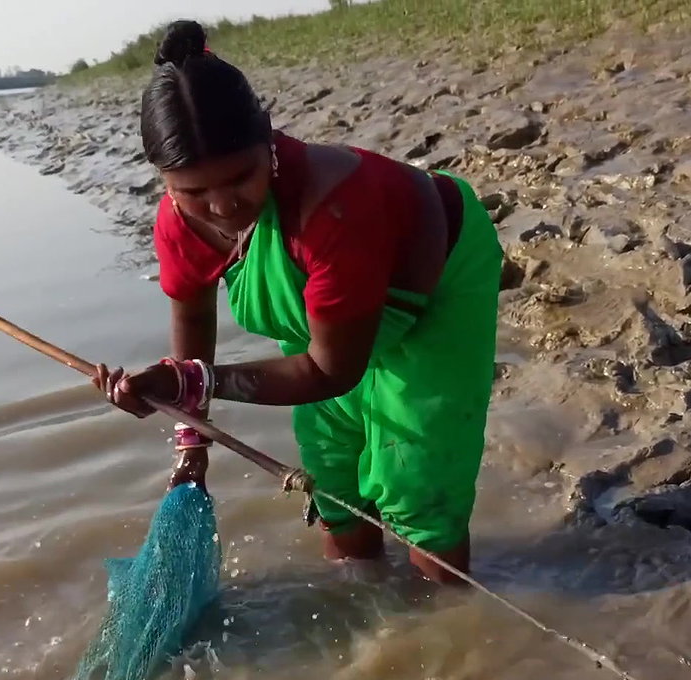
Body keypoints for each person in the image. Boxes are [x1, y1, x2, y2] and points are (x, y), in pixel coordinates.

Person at [92, 20, 504, 585]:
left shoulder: (330, 207)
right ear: (163, 180)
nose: (220, 207)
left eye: (241, 177)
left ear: (269, 140)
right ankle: (364, 601)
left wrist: (193, 383)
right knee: (332, 472)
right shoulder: (179, 222)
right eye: (191, 192)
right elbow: (191, 314)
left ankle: (449, 626)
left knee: (418, 479)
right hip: (329, 318)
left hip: (432, 279)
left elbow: (330, 371)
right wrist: (191, 446)